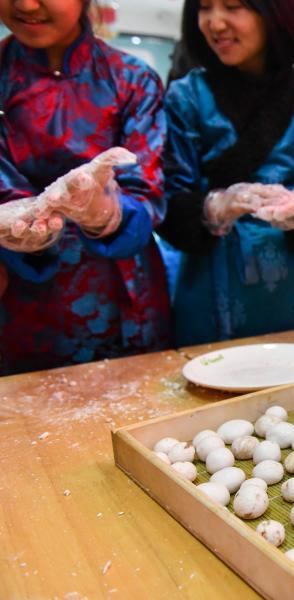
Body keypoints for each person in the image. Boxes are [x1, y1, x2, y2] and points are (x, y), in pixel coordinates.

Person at [158, 0, 294, 346]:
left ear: (275, 15)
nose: (215, 23)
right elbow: (166, 201)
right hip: (209, 290)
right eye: (205, 8)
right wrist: (215, 206)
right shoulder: (184, 98)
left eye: (233, 6)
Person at [0, 0, 170, 374]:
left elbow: (149, 194)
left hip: (125, 300)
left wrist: (107, 213)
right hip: (23, 308)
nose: (26, 4)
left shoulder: (131, 79)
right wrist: (18, 227)